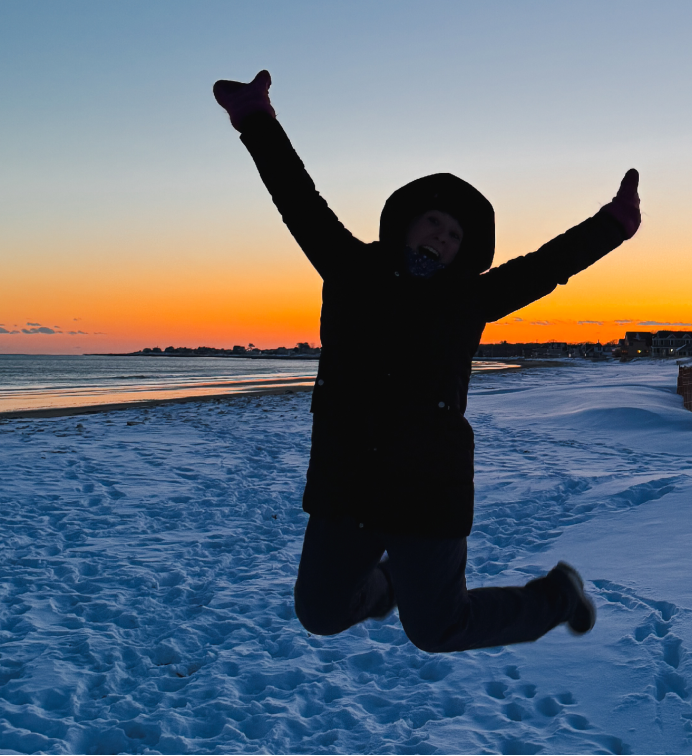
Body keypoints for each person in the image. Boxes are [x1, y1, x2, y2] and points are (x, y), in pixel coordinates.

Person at [214, 70, 640, 653]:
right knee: (320, 612)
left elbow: (547, 267)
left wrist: (611, 226)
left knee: (438, 629)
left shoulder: (470, 298)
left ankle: (557, 596)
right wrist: (255, 118)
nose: (441, 237)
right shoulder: (349, 267)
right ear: (408, 219)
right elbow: (297, 198)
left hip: (426, 488)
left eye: (455, 235)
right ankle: (387, 583)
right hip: (347, 479)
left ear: (466, 252)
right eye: (434, 222)